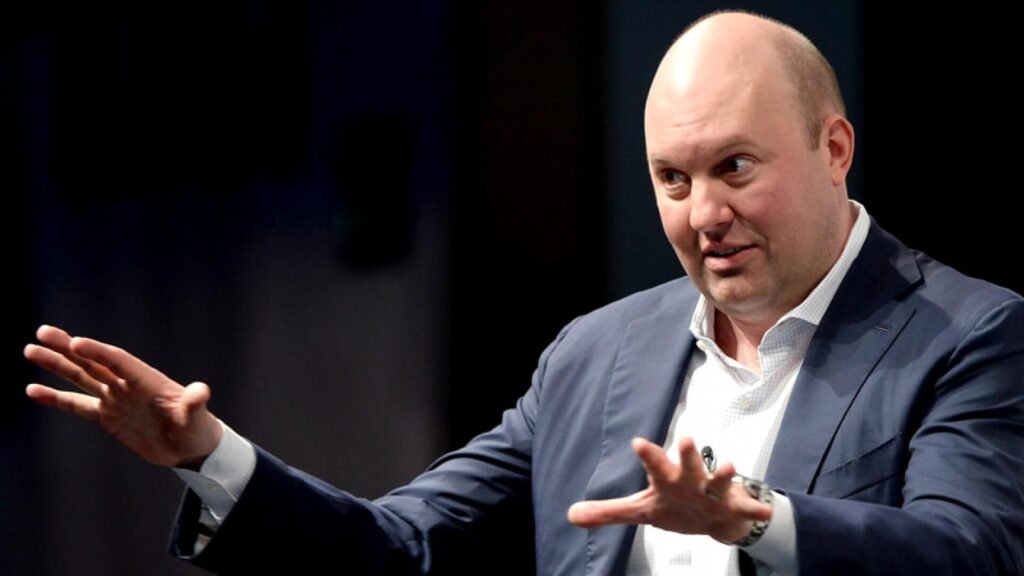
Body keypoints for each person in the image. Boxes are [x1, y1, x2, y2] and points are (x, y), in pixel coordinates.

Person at [23, 11, 1024, 576]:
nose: (702, 211)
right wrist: (209, 455)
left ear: (834, 148)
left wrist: (751, 516)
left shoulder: (965, 333)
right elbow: (398, 545)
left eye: (733, 166)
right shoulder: (596, 354)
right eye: (671, 180)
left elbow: (969, 558)